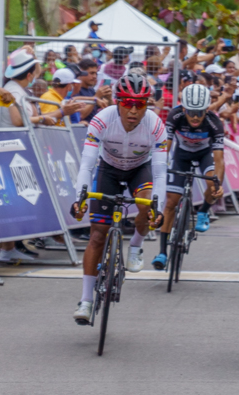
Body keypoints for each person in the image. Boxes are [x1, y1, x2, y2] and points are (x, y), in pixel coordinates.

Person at [70, 72, 168, 324]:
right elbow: (87, 164)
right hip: (109, 169)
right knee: (97, 234)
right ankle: (86, 300)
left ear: (147, 104)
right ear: (117, 102)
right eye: (127, 103)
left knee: (146, 207)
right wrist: (79, 197)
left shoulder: (156, 125)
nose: (133, 110)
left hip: (140, 169)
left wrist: (159, 207)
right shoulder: (102, 119)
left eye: (140, 104)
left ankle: (135, 244)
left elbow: (159, 172)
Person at [151, 84, 225, 270]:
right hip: (181, 156)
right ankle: (162, 252)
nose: (194, 116)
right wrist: (158, 170)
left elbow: (219, 161)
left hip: (204, 154)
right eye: (191, 111)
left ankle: (203, 212)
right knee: (170, 203)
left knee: (213, 183)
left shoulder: (214, 123)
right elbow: (165, 148)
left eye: (199, 112)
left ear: (206, 110)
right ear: (183, 108)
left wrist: (217, 184)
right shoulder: (174, 116)